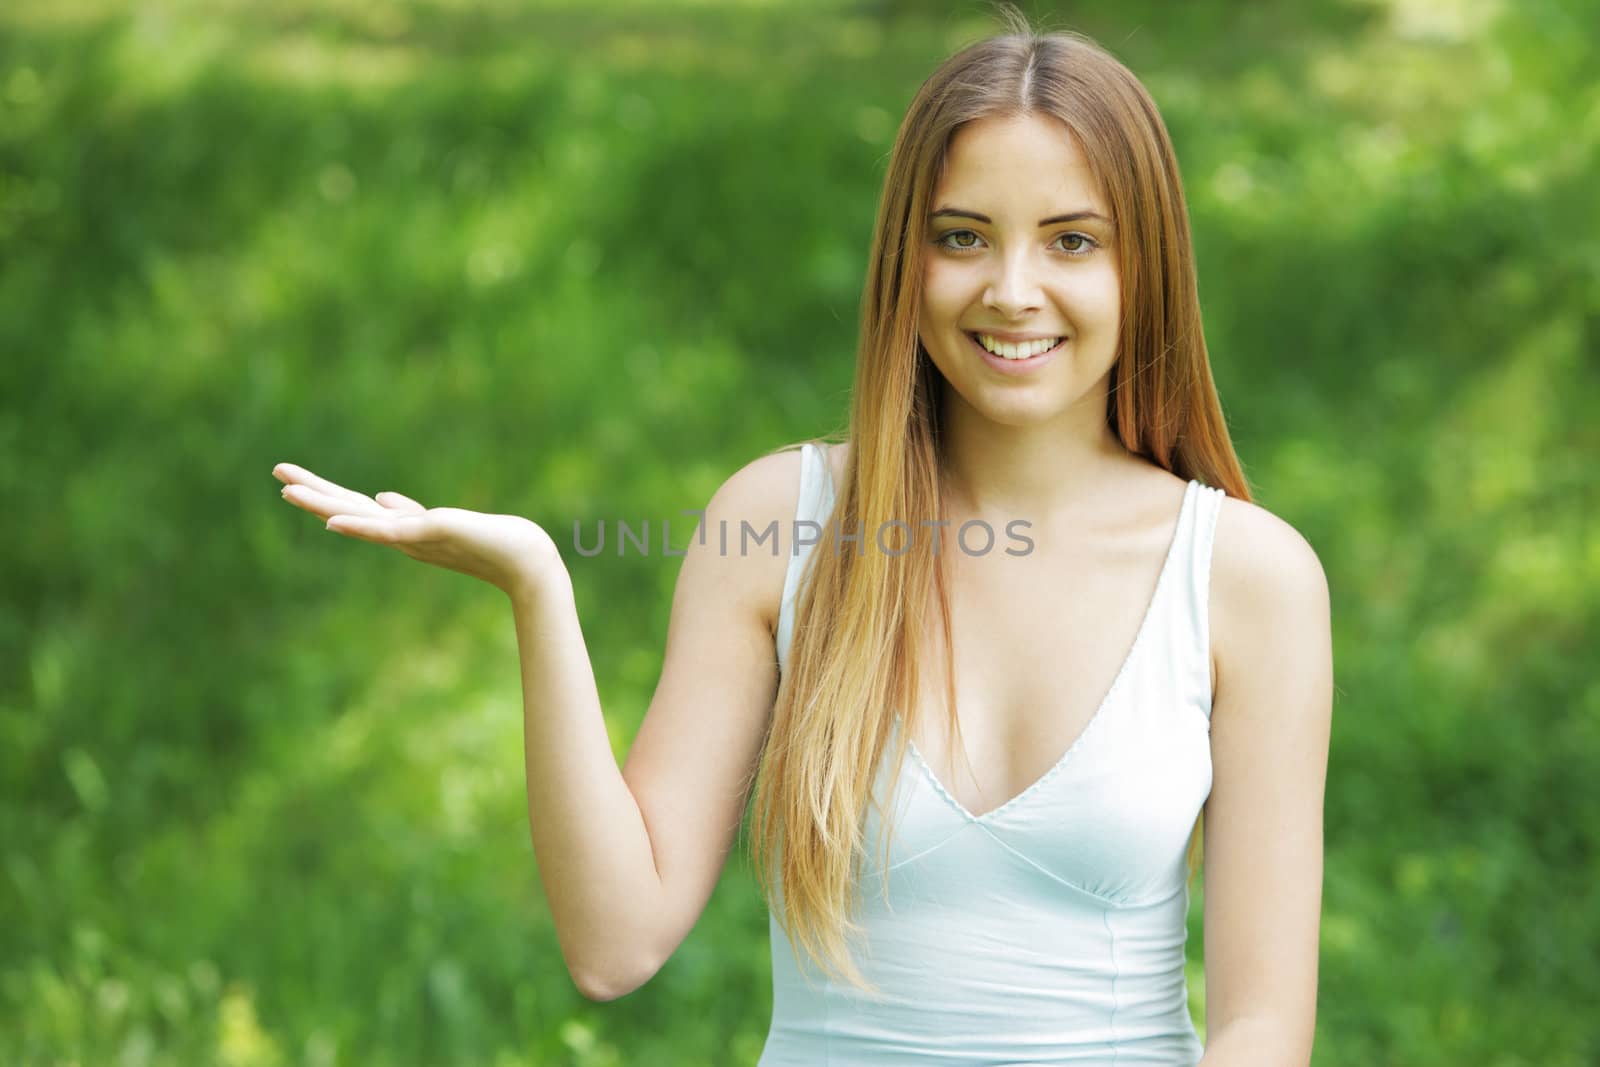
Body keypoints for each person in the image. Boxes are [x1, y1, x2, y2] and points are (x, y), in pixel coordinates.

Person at [275, 16, 1332, 1066]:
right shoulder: (781, 525)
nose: (1012, 289)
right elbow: (614, 939)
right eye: (962, 236)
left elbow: (1261, 1025)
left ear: (1143, 267)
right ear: (903, 262)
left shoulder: (1246, 577)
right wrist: (538, 585)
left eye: (1071, 239)